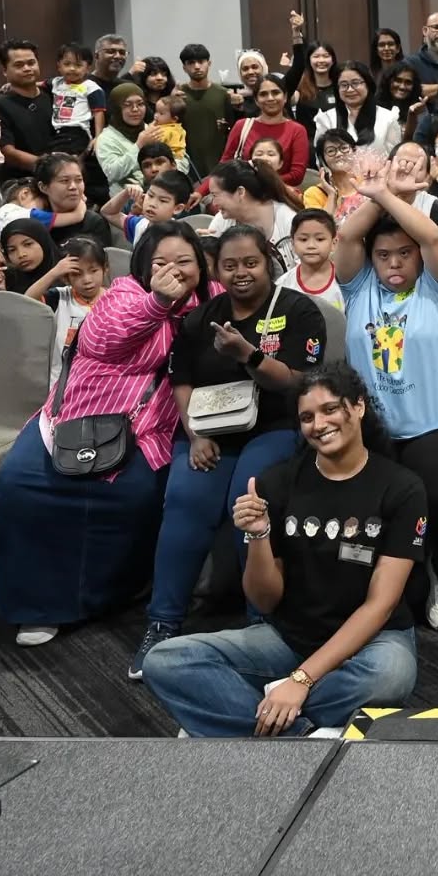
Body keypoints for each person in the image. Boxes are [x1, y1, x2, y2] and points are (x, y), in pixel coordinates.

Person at [142, 363, 423, 737]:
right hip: (289, 637)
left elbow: (380, 606)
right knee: (163, 661)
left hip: (374, 640)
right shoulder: (277, 483)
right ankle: (299, 733)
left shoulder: (403, 488)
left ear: (358, 406)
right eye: (307, 417)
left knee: (390, 676)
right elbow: (265, 600)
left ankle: (240, 715)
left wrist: (301, 680)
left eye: (330, 409)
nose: (318, 424)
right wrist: (258, 535)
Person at [0, 221, 214, 646]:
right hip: (77, 412)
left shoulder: (208, 301)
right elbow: (102, 339)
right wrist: (157, 303)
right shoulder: (125, 294)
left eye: (185, 262)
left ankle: (108, 595)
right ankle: (36, 604)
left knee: (134, 492)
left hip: (147, 427)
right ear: (143, 265)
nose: (174, 270)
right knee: (21, 483)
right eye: (161, 263)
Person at [131, 224, 328, 677]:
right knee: (185, 500)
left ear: (269, 264)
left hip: (273, 427)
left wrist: (249, 356)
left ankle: (261, 623)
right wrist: (194, 434)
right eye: (230, 265)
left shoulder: (298, 310)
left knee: (248, 495)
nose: (241, 272)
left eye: (251, 263)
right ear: (215, 270)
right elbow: (181, 379)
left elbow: (301, 382)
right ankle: (162, 622)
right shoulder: (201, 317)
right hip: (208, 432)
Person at [334, 170, 438, 628]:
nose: (394, 263)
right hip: (373, 429)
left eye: (404, 254)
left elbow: (433, 236)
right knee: (368, 518)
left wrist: (388, 195)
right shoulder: (358, 289)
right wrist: (379, 197)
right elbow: (347, 236)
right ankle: (378, 586)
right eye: (383, 255)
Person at [27, 236, 108, 386]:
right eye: (77, 274)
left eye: (93, 271)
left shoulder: (115, 298)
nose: (87, 280)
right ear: (66, 278)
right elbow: (27, 301)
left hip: (101, 381)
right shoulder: (59, 297)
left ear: (105, 269)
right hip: (61, 384)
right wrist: (54, 273)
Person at [216, 73, 310, 184]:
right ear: (256, 100)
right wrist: (201, 191)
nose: (270, 98)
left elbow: (297, 175)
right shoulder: (241, 126)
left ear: (285, 97)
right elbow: (223, 167)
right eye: (263, 94)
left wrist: (257, 183)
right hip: (244, 192)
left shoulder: (297, 130)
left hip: (280, 192)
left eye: (275, 93)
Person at [207, 160, 298, 265]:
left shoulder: (288, 219)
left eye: (215, 195)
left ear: (240, 192)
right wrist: (205, 248)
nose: (214, 203)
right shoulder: (221, 220)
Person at [0, 39, 56, 174]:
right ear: (5, 70)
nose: (27, 68)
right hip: (22, 180)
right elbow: (7, 152)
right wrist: (52, 168)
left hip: (63, 176)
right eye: (19, 65)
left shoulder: (53, 95)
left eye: (31, 63)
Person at [316, 62, 400, 155]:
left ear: (368, 84)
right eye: (344, 85)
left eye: (355, 83)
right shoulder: (326, 119)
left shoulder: (388, 117)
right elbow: (321, 157)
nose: (350, 89)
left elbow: (395, 156)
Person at [178, 43, 233, 180]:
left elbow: (232, 129)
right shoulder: (178, 96)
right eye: (191, 63)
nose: (197, 66)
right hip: (187, 165)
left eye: (201, 61)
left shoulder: (223, 94)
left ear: (209, 63)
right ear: (184, 67)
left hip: (219, 164)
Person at [33, 152, 113, 246]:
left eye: (79, 180)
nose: (73, 187)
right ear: (43, 187)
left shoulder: (94, 222)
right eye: (64, 181)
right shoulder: (35, 221)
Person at [278, 207, 344, 310]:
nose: (311, 245)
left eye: (320, 239)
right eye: (303, 239)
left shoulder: (345, 282)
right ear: (292, 244)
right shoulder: (282, 285)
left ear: (334, 243)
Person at [49, 42, 106, 149]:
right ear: (59, 66)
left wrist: (98, 137)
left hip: (77, 131)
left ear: (88, 68)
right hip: (57, 132)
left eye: (78, 65)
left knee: (68, 157)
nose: (72, 68)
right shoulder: (56, 82)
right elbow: (37, 84)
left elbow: (99, 113)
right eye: (67, 64)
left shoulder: (91, 87)